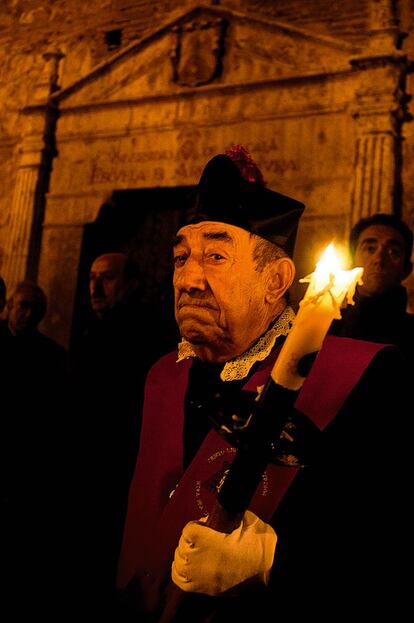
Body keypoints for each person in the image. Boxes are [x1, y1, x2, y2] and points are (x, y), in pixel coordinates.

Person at [116, 148, 409, 622]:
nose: (188, 279)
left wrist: (272, 566)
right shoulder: (158, 375)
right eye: (179, 257)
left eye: (215, 256)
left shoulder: (367, 377)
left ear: (275, 280)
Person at [70, 252, 166, 617]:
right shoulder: (90, 332)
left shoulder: (141, 337)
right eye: (92, 277)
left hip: (119, 474)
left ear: (131, 285)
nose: (94, 287)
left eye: (107, 278)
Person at [0, 281, 69, 619]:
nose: (26, 313)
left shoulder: (52, 358)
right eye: (21, 305)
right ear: (9, 305)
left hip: (23, 463)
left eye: (33, 308)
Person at [330, 212, 414, 359]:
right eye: (369, 248)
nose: (379, 260)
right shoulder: (326, 325)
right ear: (351, 261)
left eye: (393, 251)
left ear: (406, 269)